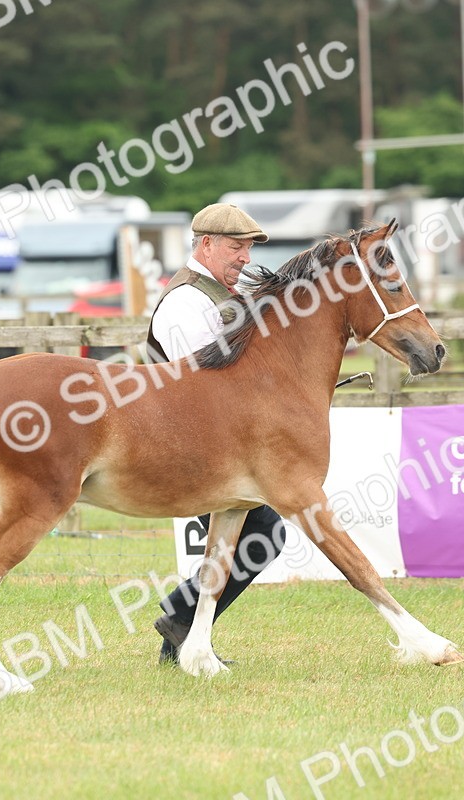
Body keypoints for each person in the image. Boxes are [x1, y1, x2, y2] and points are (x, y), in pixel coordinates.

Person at [145, 203, 288, 666]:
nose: (245, 258)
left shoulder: (219, 295)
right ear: (206, 244)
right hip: (187, 447)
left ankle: (180, 635)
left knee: (257, 534)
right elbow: (201, 387)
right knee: (263, 531)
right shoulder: (186, 302)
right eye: (235, 247)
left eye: (248, 248)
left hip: (215, 446)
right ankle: (181, 619)